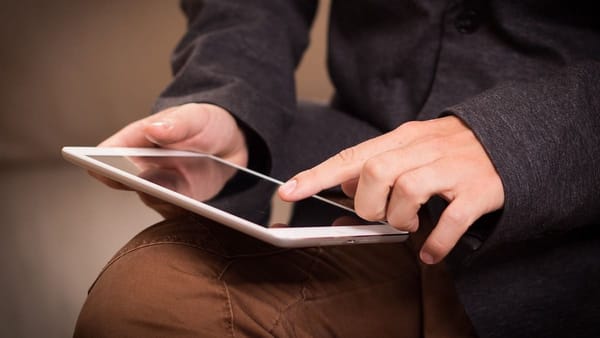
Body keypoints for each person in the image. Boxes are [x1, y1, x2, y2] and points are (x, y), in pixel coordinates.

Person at [74, 1, 600, 337]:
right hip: (354, 186)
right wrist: (233, 98)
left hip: (569, 237)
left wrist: (515, 140)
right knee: (153, 298)